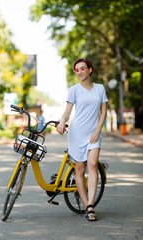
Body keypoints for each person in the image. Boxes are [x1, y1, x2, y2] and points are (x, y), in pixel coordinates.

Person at [57, 58, 108, 221]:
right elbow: (67, 112)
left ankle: (91, 204)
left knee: (92, 164)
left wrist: (97, 131)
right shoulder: (74, 90)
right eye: (77, 69)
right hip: (77, 133)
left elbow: (104, 112)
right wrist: (62, 122)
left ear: (90, 70)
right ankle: (87, 205)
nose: (79, 72)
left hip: (94, 134)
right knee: (79, 170)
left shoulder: (100, 89)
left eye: (82, 68)